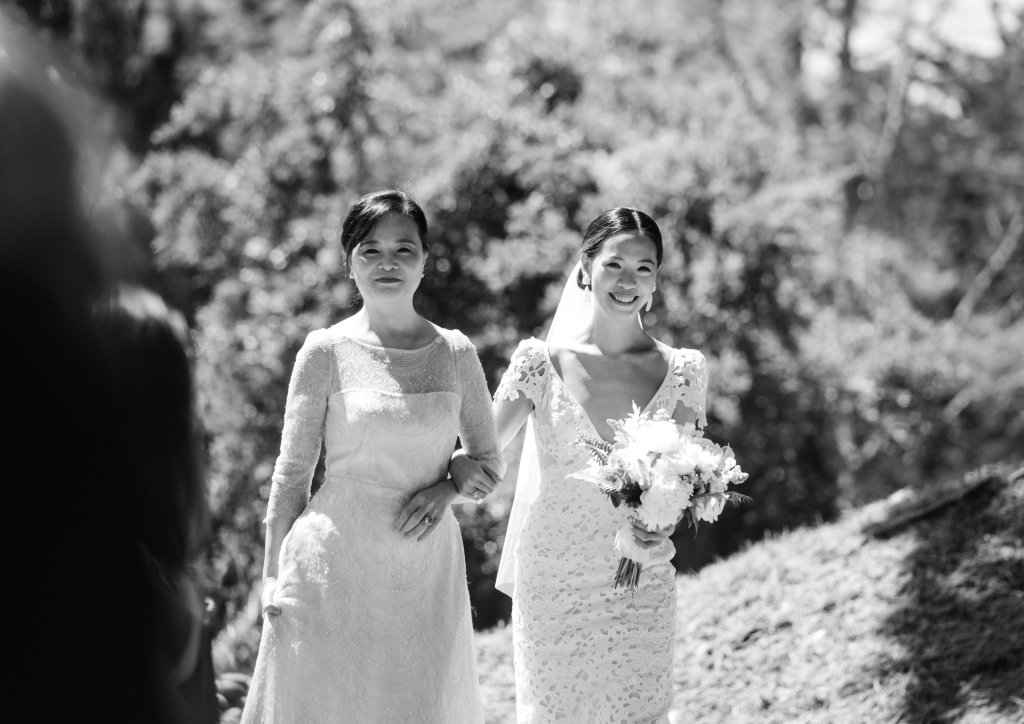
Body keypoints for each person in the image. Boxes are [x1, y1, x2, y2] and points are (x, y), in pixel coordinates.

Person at [241, 190, 506, 723]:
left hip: (424, 570)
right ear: (349, 264)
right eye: (371, 250)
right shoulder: (324, 352)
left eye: (404, 249)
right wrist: (272, 575)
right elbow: (292, 476)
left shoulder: (456, 354)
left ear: (426, 261)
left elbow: (489, 465)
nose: (388, 263)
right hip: (332, 565)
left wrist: (448, 486)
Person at [452, 208, 708, 723]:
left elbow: (684, 475)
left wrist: (664, 520)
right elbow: (481, 453)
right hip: (554, 582)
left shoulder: (684, 370)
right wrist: (454, 473)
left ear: (657, 280)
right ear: (586, 268)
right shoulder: (539, 362)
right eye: (615, 264)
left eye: (644, 268)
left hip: (641, 582)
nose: (628, 281)